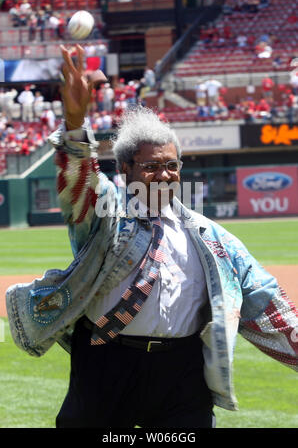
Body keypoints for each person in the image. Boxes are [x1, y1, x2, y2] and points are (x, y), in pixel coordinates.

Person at [6, 45, 298, 429]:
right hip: (107, 363)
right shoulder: (105, 217)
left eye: (171, 165)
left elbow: (265, 302)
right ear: (125, 169)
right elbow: (82, 184)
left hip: (182, 372)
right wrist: (76, 123)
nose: (164, 175)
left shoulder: (211, 237)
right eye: (151, 166)